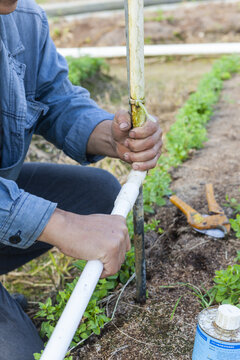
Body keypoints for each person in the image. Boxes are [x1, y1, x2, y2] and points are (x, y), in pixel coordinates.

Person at [0, 0, 162, 358]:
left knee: (98, 192)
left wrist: (112, 135)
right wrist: (60, 225)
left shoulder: (24, 17)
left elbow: (54, 100)